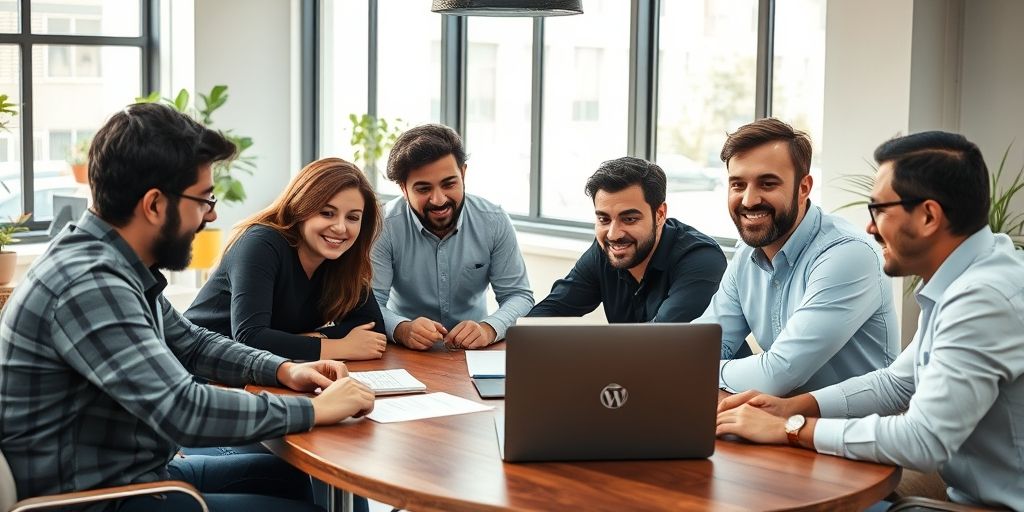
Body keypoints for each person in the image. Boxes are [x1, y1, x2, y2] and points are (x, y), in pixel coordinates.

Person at [0, 103, 374, 511]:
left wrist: (285, 369)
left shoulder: (113, 265)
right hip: (101, 499)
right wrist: (312, 410)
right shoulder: (89, 282)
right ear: (155, 204)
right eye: (203, 199)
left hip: (141, 474)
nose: (211, 214)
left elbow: (192, 343)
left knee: (294, 478)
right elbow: (184, 410)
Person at [716, 131, 1024, 509]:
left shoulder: (983, 299)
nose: (870, 227)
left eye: (880, 209)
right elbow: (896, 383)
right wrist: (795, 407)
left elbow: (923, 441)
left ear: (929, 216)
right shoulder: (972, 276)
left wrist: (791, 429)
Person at [694, 118, 899, 395]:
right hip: (775, 416)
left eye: (767, 184)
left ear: (803, 188)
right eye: (738, 185)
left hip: (847, 421)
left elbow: (778, 373)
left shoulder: (849, 254)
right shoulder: (746, 256)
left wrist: (694, 369)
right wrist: (682, 362)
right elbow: (703, 344)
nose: (749, 200)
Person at [186, 158, 387, 362]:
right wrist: (340, 347)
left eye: (353, 218)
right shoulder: (260, 243)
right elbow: (250, 337)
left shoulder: (343, 258)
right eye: (327, 213)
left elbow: (372, 328)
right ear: (300, 208)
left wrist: (312, 338)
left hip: (263, 370)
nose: (340, 228)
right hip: (195, 364)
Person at [372, 123, 534, 350]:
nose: (439, 200)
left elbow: (518, 296)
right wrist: (401, 329)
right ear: (403, 188)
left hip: (476, 350)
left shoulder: (494, 220)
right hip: (404, 351)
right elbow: (371, 303)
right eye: (423, 189)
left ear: (463, 174)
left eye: (449, 184)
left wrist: (489, 329)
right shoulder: (384, 226)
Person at [528, 156, 726, 322]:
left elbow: (664, 340)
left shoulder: (701, 259)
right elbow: (546, 315)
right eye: (604, 219)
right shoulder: (604, 251)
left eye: (629, 219)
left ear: (660, 214)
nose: (613, 234)